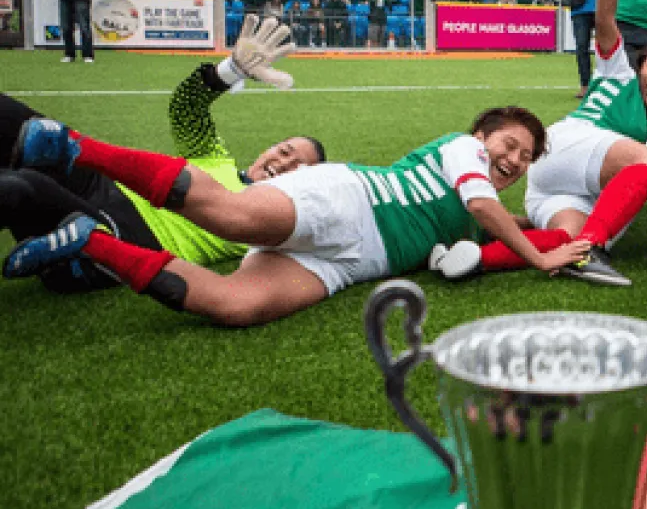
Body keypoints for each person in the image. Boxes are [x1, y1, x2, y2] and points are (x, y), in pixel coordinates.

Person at [6, 110, 589, 327]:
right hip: (353, 200)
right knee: (232, 217)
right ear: (482, 135)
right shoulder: (462, 153)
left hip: (355, 263)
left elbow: (466, 238)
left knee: (237, 306)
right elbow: (482, 205)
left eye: (524, 158)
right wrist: (538, 255)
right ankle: (76, 148)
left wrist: (573, 240)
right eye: (507, 144)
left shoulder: (486, 205)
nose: (511, 160)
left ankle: (89, 243)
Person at [433, 0, 647, 287]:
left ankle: (469, 256)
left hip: (554, 189)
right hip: (566, 148)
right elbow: (605, 18)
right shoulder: (618, 72)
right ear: (640, 68)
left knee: (564, 242)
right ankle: (592, 244)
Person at [1, 17, 319, 294]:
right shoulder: (216, 156)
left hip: (125, 237)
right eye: (285, 151)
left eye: (299, 168)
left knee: (20, 187)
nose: (284, 163)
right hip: (102, 183)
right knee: (24, 126)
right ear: (267, 149)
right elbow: (186, 110)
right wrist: (231, 70)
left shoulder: (268, 223)